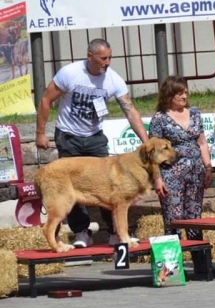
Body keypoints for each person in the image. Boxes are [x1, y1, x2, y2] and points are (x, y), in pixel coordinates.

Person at [36, 38, 148, 247]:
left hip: (95, 137)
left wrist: (146, 141)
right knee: (72, 187)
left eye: (110, 58)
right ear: (90, 57)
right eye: (103, 58)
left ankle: (115, 233)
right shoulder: (70, 73)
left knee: (109, 184)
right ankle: (81, 232)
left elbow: (130, 110)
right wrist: (40, 133)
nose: (107, 62)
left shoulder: (113, 80)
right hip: (68, 136)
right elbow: (46, 100)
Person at [149, 75, 213, 274]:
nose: (184, 96)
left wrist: (208, 167)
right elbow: (153, 152)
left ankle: (202, 268)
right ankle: (170, 270)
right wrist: (157, 179)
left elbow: (202, 143)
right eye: (179, 93)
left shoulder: (194, 113)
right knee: (173, 219)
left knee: (195, 218)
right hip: (171, 176)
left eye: (185, 92)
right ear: (169, 96)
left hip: (196, 174)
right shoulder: (159, 119)